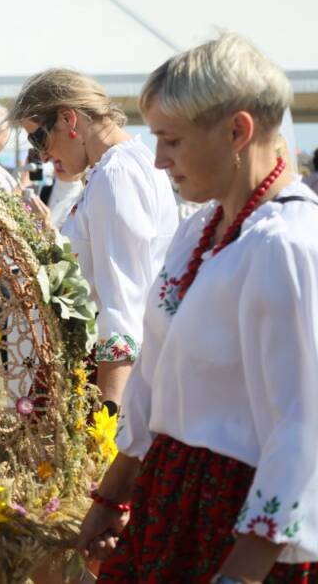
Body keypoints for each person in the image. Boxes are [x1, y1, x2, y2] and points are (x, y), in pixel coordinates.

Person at [78, 33, 318, 582]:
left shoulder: (287, 244)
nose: (159, 160)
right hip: (175, 493)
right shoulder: (200, 233)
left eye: (173, 141)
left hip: (240, 522)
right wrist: (113, 495)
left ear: (238, 130)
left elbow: (304, 427)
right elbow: (155, 378)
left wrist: (242, 572)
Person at [9, 70, 177, 407]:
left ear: (69, 119)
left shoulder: (116, 175)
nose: (41, 156)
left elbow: (123, 307)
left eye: (39, 139)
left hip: (114, 382)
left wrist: (106, 425)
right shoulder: (123, 164)